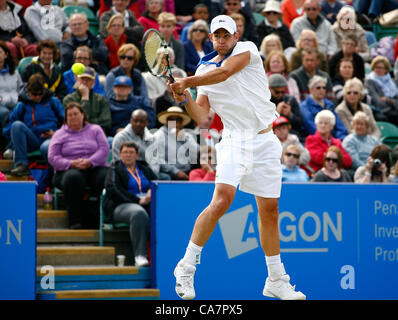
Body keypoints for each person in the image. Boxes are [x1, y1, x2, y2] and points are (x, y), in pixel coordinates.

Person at [168, 15, 306, 300]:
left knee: (269, 210)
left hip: (267, 139)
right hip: (234, 140)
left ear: (235, 36)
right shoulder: (204, 68)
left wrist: (187, 81)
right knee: (221, 201)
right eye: (216, 36)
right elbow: (204, 116)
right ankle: (186, 266)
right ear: (211, 38)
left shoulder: (247, 50)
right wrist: (185, 98)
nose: (221, 40)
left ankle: (276, 279)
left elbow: (225, 73)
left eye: (225, 35)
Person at [48, 102, 110, 229]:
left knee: (105, 177)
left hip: (94, 166)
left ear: (83, 115)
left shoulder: (96, 129)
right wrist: (71, 163)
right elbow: (52, 157)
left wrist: (90, 162)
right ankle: (75, 220)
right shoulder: (59, 134)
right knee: (73, 178)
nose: (73, 117)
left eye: (76, 114)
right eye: (69, 115)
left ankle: (100, 217)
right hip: (69, 169)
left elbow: (104, 149)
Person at [103, 141, 155, 267]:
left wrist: (150, 191)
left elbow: (156, 182)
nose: (128, 155)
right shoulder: (115, 168)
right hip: (120, 206)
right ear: (120, 154)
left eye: (131, 152)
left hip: (147, 203)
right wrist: (137, 200)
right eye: (125, 152)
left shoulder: (144, 168)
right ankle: (140, 256)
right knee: (138, 213)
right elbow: (113, 189)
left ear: (137, 155)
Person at [3, 73, 64, 176]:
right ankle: (21, 164)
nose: (37, 97)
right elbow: (8, 128)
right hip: (31, 140)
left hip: (51, 138)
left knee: (46, 147)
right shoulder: (21, 105)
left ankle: (57, 176)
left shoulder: (53, 102)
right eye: (34, 94)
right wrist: (14, 142)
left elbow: (66, 123)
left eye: (40, 94)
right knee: (17, 125)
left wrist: (56, 133)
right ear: (28, 91)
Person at [150, 106, 199, 180]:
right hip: (169, 174)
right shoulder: (159, 135)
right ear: (166, 121)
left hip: (188, 172)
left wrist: (184, 139)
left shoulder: (187, 135)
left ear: (181, 122)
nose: (174, 123)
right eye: (171, 120)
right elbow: (158, 159)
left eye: (177, 120)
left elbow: (198, 151)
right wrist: (175, 172)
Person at [63, 67, 112, 136]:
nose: (85, 82)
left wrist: (87, 123)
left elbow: (106, 122)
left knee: (110, 141)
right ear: (77, 79)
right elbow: (74, 123)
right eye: (82, 79)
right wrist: (85, 97)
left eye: (88, 79)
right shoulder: (69, 99)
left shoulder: (101, 99)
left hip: (97, 135)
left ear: (93, 82)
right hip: (74, 135)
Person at [300, 75, 347, 140]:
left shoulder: (329, 104)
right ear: (310, 89)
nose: (322, 90)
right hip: (316, 140)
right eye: (318, 88)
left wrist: (340, 139)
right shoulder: (304, 106)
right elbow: (311, 127)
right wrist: (330, 139)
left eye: (324, 88)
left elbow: (340, 126)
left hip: (334, 140)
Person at [268, 74, 306, 142]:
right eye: (277, 92)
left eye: (282, 92)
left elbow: (300, 123)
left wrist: (290, 115)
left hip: (292, 135)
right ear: (270, 88)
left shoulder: (290, 99)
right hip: (272, 136)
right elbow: (264, 125)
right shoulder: (266, 101)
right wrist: (277, 113)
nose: (280, 94)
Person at [365, 55, 398, 126]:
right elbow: (378, 101)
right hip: (380, 110)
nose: (378, 70)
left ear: (386, 69)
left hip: (393, 108)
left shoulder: (390, 81)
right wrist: (392, 101)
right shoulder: (370, 81)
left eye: (380, 68)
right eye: (376, 67)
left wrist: (389, 100)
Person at [0, 40, 22, 131]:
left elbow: (21, 88)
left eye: (0, 52)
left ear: (6, 55)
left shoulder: (14, 72)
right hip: (1, 104)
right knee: (5, 113)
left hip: (15, 102)